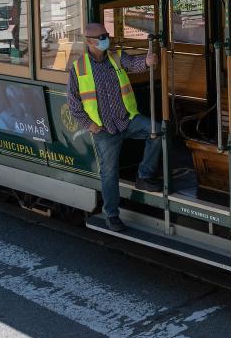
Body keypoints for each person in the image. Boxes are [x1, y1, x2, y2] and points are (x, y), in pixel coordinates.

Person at [67, 22, 163, 232]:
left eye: (106, 35)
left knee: (158, 130)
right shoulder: (79, 68)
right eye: (101, 37)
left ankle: (144, 176)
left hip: (127, 120)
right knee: (109, 174)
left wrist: (147, 62)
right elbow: (73, 103)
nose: (106, 39)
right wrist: (90, 125)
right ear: (90, 42)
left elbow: (135, 63)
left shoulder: (116, 57)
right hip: (104, 130)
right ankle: (111, 215)